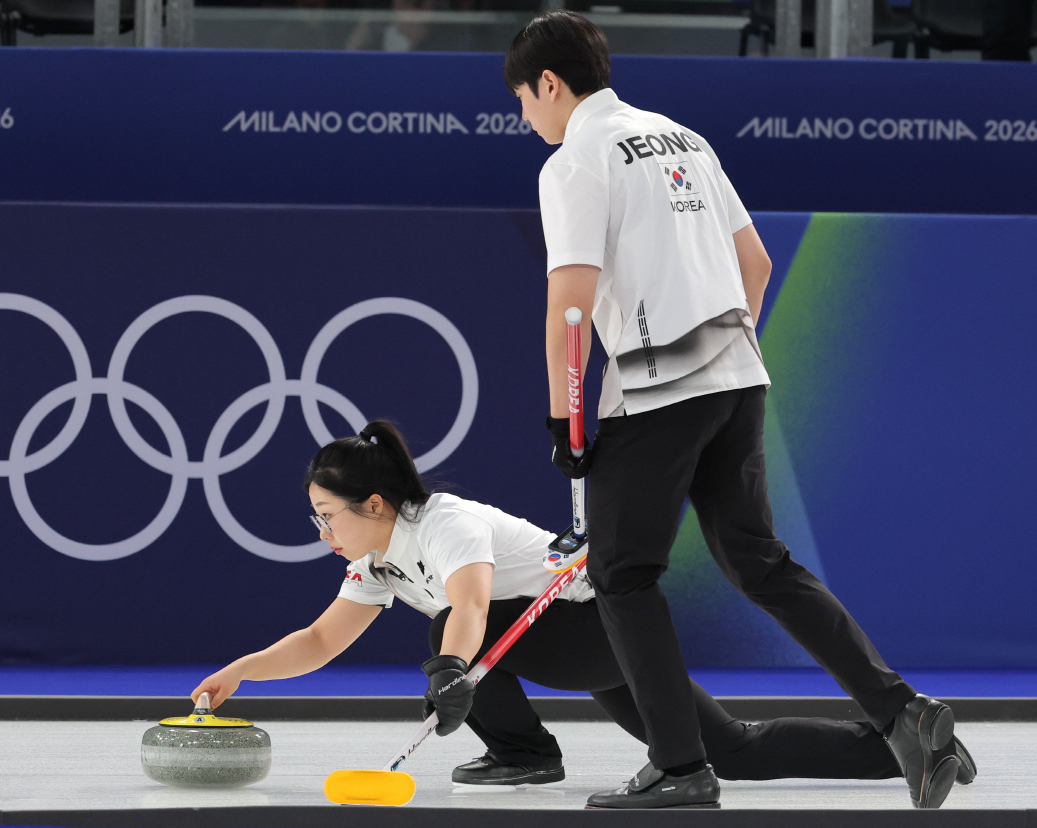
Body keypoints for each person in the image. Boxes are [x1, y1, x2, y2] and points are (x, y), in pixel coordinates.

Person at [508, 10, 970, 810]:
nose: (525, 118)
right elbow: (752, 264)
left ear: (551, 83)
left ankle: (681, 768)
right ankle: (903, 709)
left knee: (621, 577)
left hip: (654, 394)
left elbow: (570, 313)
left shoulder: (575, 161)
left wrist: (566, 422)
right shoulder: (684, 137)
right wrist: (723, 355)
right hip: (738, 374)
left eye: (523, 99)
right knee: (761, 562)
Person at [191, 421, 975, 792]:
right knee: (730, 750)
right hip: (580, 645)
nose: (321, 529)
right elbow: (323, 639)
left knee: (446, 634)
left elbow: (467, 608)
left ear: (373, 502)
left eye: (327, 514)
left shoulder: (446, 524)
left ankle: (528, 753)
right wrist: (242, 673)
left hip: (592, 626)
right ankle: (904, 744)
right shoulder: (376, 557)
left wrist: (453, 670)